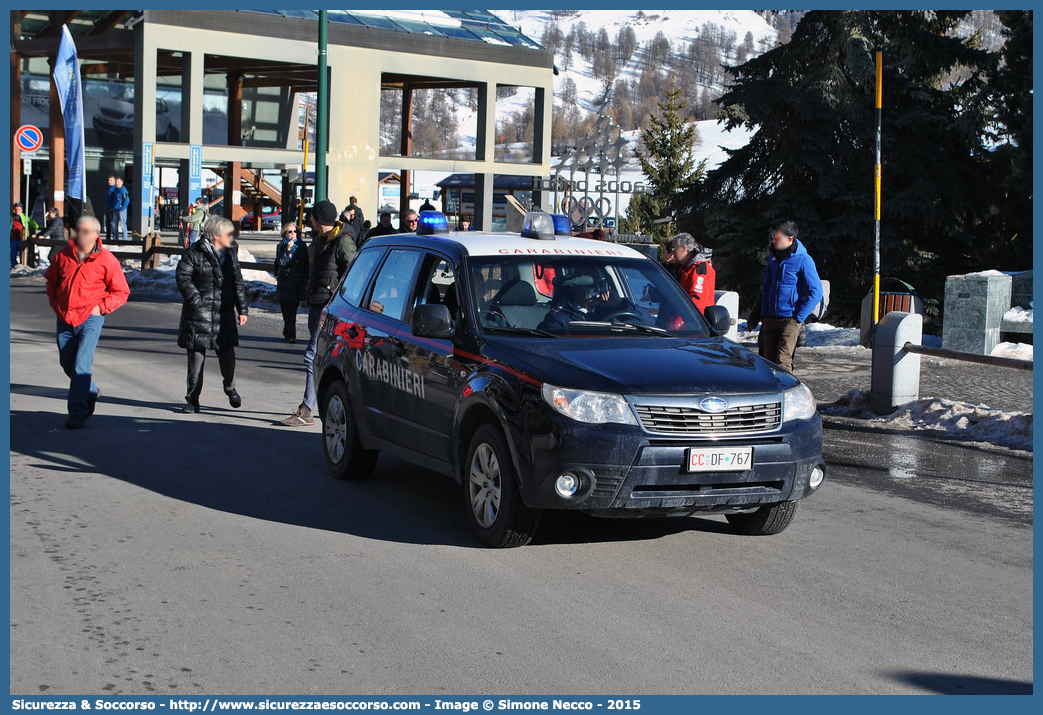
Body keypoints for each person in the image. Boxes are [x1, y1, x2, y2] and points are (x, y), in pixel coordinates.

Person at [44, 216, 130, 428]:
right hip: (65, 317)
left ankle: (77, 413)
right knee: (68, 363)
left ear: (95, 234)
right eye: (77, 230)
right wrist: (56, 305)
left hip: (90, 319)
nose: (79, 234)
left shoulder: (106, 259)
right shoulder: (63, 255)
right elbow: (52, 282)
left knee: (82, 363)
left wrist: (100, 308)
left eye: (85, 231)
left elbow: (121, 291)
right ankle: (89, 390)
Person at [280, 199, 357, 427]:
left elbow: (354, 274)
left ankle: (308, 410)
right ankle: (312, 407)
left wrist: (337, 299)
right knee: (318, 357)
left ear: (318, 219)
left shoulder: (342, 241)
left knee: (312, 356)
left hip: (329, 308)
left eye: (311, 217)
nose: (309, 220)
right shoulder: (322, 240)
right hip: (318, 304)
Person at [175, 215, 248, 413]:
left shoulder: (230, 254)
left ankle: (230, 388)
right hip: (199, 314)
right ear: (216, 236)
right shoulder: (194, 253)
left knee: (227, 355)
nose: (231, 237)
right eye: (228, 234)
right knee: (196, 360)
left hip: (223, 315)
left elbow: (237, 283)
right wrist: (197, 300)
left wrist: (242, 309)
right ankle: (192, 400)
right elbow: (183, 277)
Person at [758, 220, 823, 372]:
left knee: (783, 362)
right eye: (773, 237)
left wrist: (798, 317)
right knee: (767, 362)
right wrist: (763, 314)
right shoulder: (773, 258)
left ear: (790, 239)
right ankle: (769, 393)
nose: (773, 241)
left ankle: (786, 394)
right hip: (770, 318)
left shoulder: (804, 260)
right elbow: (766, 288)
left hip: (790, 320)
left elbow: (816, 292)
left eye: (777, 238)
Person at [274, 222, 309, 343]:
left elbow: (306, 263)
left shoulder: (302, 245)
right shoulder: (281, 246)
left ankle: (290, 333)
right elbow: (281, 262)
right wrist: (288, 250)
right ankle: (289, 332)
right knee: (286, 309)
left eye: (295, 232)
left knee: (292, 309)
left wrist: (306, 279)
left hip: (297, 283)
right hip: (285, 282)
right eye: (290, 232)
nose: (293, 234)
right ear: (285, 233)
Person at [665, 232, 716, 314]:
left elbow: (697, 302)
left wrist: (679, 322)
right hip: (682, 317)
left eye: (674, 248)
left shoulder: (700, 268)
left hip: (694, 322)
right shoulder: (684, 268)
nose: (672, 252)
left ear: (684, 248)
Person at [11, 202, 38, 269]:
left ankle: (22, 267)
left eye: (19, 209)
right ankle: (14, 266)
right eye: (16, 209)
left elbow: (36, 225)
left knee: (23, 254)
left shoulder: (25, 217)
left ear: (22, 210)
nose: (17, 211)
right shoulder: (11, 217)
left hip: (23, 239)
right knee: (12, 255)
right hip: (14, 238)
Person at [113, 177, 130, 241]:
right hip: (116, 209)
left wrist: (122, 208)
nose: (117, 183)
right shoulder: (116, 190)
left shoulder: (123, 191)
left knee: (123, 224)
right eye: (116, 182)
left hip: (121, 210)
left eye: (118, 182)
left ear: (122, 183)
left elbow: (127, 200)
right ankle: (115, 239)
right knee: (115, 224)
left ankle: (124, 239)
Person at [104, 175, 117, 240]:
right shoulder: (108, 188)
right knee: (107, 223)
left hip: (112, 208)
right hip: (107, 207)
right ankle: (108, 236)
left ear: (114, 181)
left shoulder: (115, 189)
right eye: (108, 180)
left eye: (110, 180)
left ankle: (114, 236)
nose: (109, 181)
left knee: (113, 223)